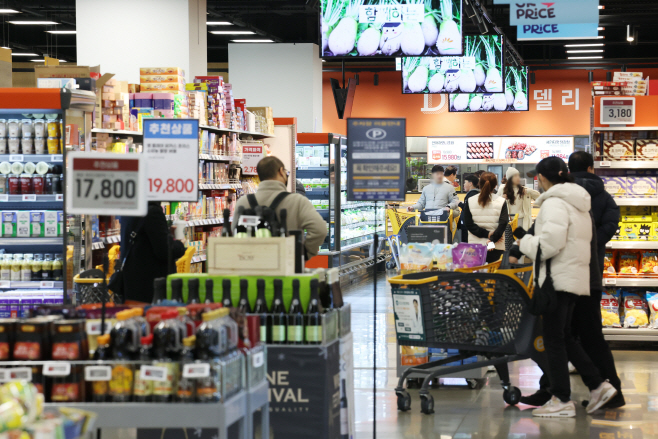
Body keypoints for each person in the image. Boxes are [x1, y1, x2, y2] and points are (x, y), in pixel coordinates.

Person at [516, 157, 617, 417]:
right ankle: (598, 386)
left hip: (556, 279)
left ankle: (561, 399)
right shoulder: (579, 202)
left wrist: (524, 242)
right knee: (565, 337)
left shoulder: (555, 203)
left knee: (553, 340)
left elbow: (549, 244)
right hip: (574, 278)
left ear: (543, 178)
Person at [568, 151, 624, 408]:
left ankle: (556, 391)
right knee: (591, 334)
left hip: (565, 272)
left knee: (562, 334)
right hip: (591, 272)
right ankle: (609, 388)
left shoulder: (563, 194)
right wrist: (592, 243)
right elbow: (612, 224)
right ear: (591, 168)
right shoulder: (604, 195)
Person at [233, 156, 327, 258]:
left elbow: (234, 234)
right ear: (281, 171)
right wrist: (304, 254)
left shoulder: (243, 202)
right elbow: (320, 230)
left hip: (254, 263)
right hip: (288, 263)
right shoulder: (298, 201)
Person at [119, 201, 185, 303]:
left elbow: (145, 240)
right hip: (151, 288)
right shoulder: (153, 211)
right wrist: (180, 244)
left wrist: (167, 235)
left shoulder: (129, 208)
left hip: (133, 284)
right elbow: (164, 251)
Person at [462, 172, 508, 263]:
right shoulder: (501, 201)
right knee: (493, 271)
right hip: (496, 246)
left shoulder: (470, 200)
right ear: (495, 185)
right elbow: (503, 224)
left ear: (479, 184)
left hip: (475, 246)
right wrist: (492, 239)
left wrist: (487, 234)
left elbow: (468, 224)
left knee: (476, 271)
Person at [498, 167, 540, 232]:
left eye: (518, 175)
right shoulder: (503, 190)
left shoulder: (524, 190)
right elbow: (495, 204)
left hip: (522, 220)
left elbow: (538, 196)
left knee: (521, 238)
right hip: (508, 220)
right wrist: (501, 198)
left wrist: (528, 191)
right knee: (508, 238)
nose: (518, 178)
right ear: (510, 178)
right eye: (515, 176)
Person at [458, 174, 480, 243]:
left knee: (467, 244)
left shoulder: (472, 194)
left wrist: (460, 204)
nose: (463, 185)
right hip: (467, 225)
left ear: (470, 183)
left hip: (468, 226)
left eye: (465, 182)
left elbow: (468, 208)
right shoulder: (473, 193)